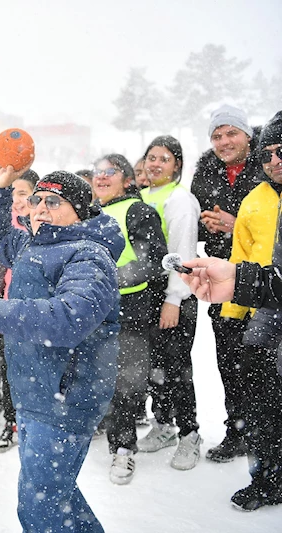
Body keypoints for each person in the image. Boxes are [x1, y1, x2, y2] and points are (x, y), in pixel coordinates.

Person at [0, 168, 123, 532]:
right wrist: (1, 187)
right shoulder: (33, 243)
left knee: (40, 508)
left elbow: (68, 319)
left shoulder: (88, 256)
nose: (40, 208)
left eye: (53, 201)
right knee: (57, 496)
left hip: (65, 400)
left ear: (81, 209)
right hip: (35, 393)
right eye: (37, 199)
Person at [180, 110, 282, 511]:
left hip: (258, 293)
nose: (275, 160)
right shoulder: (247, 190)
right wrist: (236, 298)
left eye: (231, 133)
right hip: (249, 298)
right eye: (270, 154)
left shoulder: (260, 188)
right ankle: (263, 468)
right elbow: (241, 247)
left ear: (247, 136)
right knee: (251, 386)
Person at [190, 104, 262, 463]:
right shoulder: (205, 170)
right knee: (229, 357)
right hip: (223, 277)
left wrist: (238, 225)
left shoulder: (268, 164)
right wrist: (211, 226)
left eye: (231, 132)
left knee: (263, 359)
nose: (224, 141)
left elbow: (267, 218)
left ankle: (267, 434)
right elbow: (200, 217)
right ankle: (238, 429)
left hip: (263, 275)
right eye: (217, 135)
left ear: (247, 135)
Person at [92, 154, 168, 484]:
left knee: (125, 381)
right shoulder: (91, 213)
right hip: (94, 307)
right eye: (97, 172)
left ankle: (123, 450)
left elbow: (152, 260)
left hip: (129, 307)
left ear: (127, 180)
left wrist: (108, 278)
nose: (101, 177)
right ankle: (101, 427)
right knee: (97, 375)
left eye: (110, 171)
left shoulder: (137, 210)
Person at [136, 135, 203, 471]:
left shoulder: (179, 200)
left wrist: (173, 299)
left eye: (163, 159)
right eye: (151, 158)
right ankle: (163, 425)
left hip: (173, 297)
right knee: (153, 367)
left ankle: (190, 433)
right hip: (145, 297)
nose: (155, 164)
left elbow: (183, 254)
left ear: (177, 165)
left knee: (176, 368)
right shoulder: (142, 196)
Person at [0, 169, 38, 453]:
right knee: (8, 369)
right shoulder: (4, 227)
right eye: (13, 194)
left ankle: (34, 427)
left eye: (23, 193)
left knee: (34, 372)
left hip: (33, 312)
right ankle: (11, 422)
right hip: (5, 308)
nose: (17, 200)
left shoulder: (40, 227)